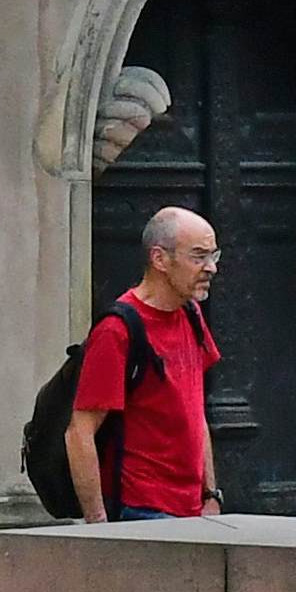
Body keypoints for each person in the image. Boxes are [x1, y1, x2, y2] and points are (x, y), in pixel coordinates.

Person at [64, 206, 226, 521]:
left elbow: (195, 411)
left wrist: (210, 494)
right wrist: (99, 527)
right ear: (160, 259)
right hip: (141, 511)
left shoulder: (191, 315)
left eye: (213, 256)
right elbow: (79, 432)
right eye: (198, 256)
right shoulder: (117, 330)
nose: (211, 268)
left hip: (194, 511)